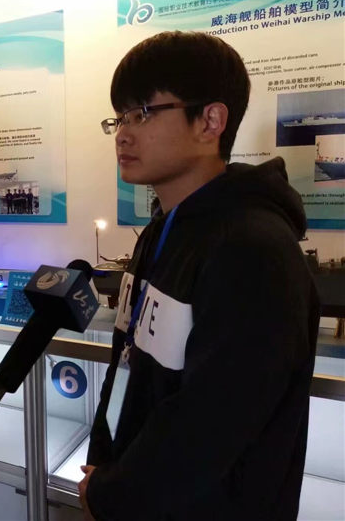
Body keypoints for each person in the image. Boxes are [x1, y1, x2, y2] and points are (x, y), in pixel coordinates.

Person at [79, 31, 319, 520]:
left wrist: (112, 492)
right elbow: (133, 369)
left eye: (143, 112)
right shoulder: (161, 230)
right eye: (120, 117)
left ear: (211, 121)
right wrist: (105, 466)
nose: (123, 133)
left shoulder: (253, 250)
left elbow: (213, 424)